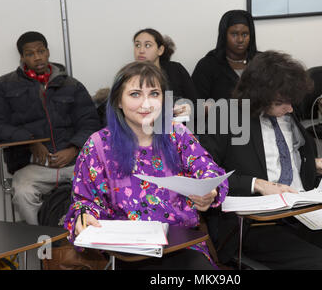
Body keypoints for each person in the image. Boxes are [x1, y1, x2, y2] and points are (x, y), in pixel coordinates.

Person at [199, 50, 322, 270]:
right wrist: (257, 184)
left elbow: (287, 155)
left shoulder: (285, 110)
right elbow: (205, 177)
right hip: (259, 225)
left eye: (291, 102)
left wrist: (310, 164)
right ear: (258, 95)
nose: (290, 109)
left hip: (304, 214)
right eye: (281, 103)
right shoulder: (225, 116)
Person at [63, 61, 229, 269]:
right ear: (118, 102)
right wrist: (85, 215)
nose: (146, 104)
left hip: (182, 246)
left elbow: (210, 171)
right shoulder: (98, 145)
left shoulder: (177, 134)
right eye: (135, 94)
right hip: (126, 252)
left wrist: (209, 191)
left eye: (154, 94)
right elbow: (84, 200)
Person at [0, 31, 101, 225]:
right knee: (22, 193)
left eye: (41, 51)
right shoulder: (3, 86)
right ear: (22, 57)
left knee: (104, 187)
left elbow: (90, 123)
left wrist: (73, 149)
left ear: (47, 52)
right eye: (30, 53)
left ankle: (83, 240)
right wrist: (31, 141)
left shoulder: (71, 85)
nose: (37, 57)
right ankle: (41, 241)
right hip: (32, 165)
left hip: (75, 163)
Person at [192, 9, 258, 101]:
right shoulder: (207, 66)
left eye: (245, 34)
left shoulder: (262, 62)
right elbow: (196, 105)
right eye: (234, 34)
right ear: (224, 35)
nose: (240, 40)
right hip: (221, 115)